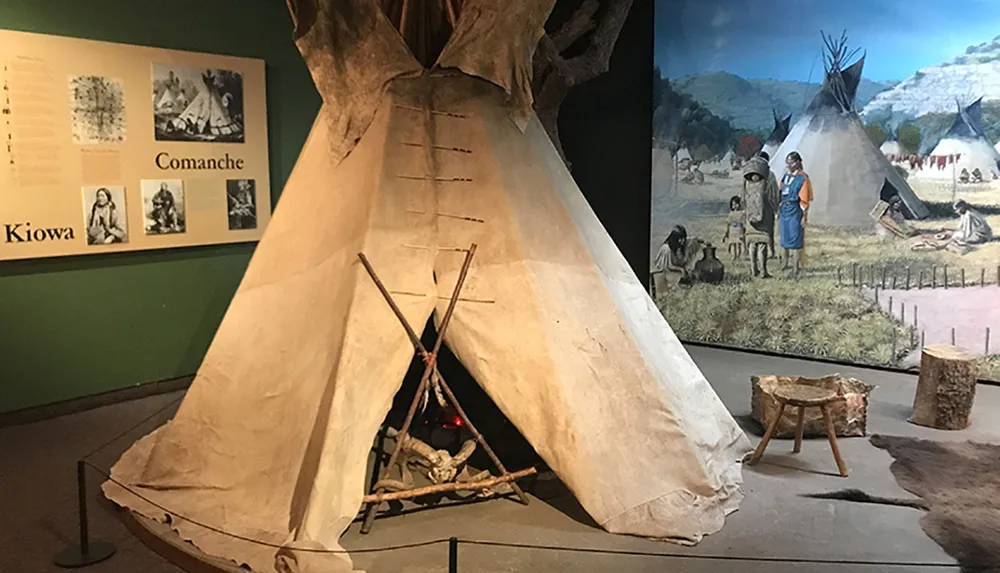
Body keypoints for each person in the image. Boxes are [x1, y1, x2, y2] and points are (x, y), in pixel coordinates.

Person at [741, 156, 779, 278]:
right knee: (762, 244)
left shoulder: (746, 182)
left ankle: (753, 270)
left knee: (752, 243)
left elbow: (742, 199)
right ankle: (763, 271)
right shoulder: (769, 177)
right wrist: (774, 207)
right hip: (765, 216)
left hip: (750, 218)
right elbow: (774, 197)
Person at [778, 151, 813, 278]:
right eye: (787, 162)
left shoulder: (802, 178)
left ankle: (795, 267)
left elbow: (804, 199)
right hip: (784, 209)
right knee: (784, 237)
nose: (788, 165)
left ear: (797, 163)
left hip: (795, 209)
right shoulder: (785, 176)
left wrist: (804, 215)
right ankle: (784, 263)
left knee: (795, 239)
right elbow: (780, 191)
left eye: (791, 162)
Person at [652, 225, 704, 289]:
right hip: (666, 272)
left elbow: (693, 240)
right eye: (680, 239)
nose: (682, 241)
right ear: (674, 238)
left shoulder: (682, 243)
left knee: (695, 275)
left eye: (683, 238)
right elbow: (668, 266)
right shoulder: (666, 249)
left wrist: (701, 241)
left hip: (678, 269)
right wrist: (681, 270)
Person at [758, 151, 781, 258]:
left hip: (753, 207)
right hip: (767, 207)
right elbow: (774, 193)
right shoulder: (770, 174)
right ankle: (771, 251)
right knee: (768, 231)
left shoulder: (749, 175)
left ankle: (751, 251)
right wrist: (776, 207)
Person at [723, 195, 745, 262]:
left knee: (738, 245)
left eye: (736, 204)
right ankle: (733, 257)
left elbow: (744, 223)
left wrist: (744, 232)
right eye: (733, 204)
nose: (734, 206)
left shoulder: (742, 213)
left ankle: (738, 257)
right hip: (732, 230)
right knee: (733, 245)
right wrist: (726, 233)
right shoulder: (731, 214)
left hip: (739, 230)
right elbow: (728, 223)